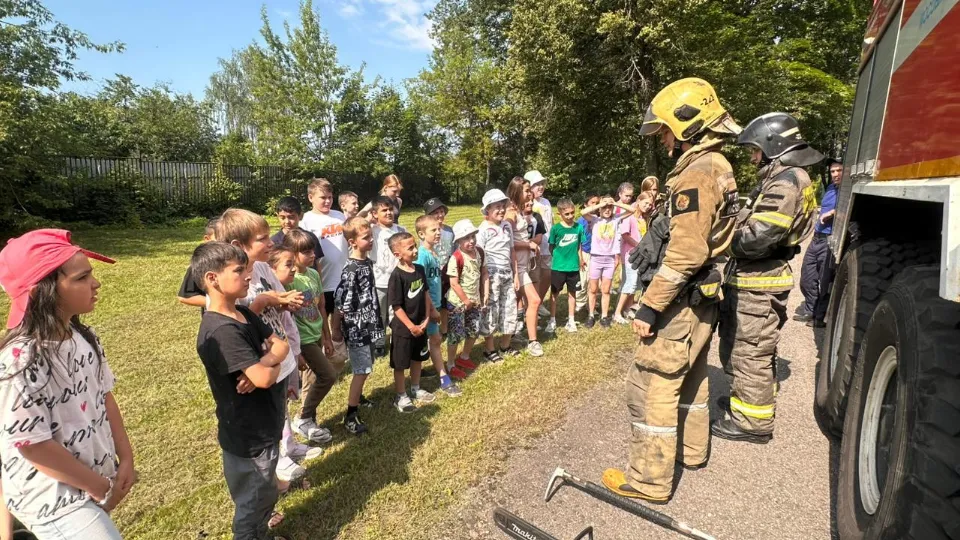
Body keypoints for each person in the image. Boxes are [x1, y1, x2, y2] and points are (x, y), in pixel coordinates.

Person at [602, 77, 741, 502]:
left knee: (652, 385)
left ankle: (647, 481)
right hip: (703, 299)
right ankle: (692, 453)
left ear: (687, 125)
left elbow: (684, 253)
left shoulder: (696, 176)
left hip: (680, 301)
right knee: (693, 375)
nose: (662, 137)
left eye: (665, 128)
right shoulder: (718, 165)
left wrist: (648, 308)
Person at [0, 229, 135, 539]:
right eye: (81, 277)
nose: (96, 283)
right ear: (41, 292)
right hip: (53, 498)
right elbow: (33, 445)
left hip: (91, 484)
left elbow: (105, 398)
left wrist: (125, 458)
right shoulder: (21, 360)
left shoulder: (83, 337)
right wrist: (101, 487)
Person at [712, 112, 821, 444]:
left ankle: (752, 422)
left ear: (774, 146)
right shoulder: (784, 178)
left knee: (751, 350)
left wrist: (721, 240)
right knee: (743, 345)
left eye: (756, 150)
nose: (753, 157)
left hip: (760, 280)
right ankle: (743, 401)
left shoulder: (787, 181)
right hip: (753, 278)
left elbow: (757, 237)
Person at [216, 209, 323, 484]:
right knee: (268, 416)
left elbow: (280, 304)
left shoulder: (263, 268)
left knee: (281, 407)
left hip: (280, 354)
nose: (272, 242)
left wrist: (286, 302)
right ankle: (279, 461)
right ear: (239, 246)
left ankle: (288, 447)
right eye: (263, 238)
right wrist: (263, 302)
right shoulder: (231, 281)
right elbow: (236, 324)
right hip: (260, 363)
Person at [193, 241, 289, 540]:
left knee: (265, 494)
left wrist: (264, 362)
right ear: (212, 279)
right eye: (239, 271)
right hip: (249, 436)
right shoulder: (221, 331)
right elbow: (261, 379)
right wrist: (265, 369)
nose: (249, 276)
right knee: (252, 505)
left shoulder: (244, 314)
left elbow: (281, 344)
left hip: (265, 424)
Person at [282, 230, 337, 445]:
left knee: (312, 380)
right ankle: (303, 417)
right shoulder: (288, 280)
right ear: (292, 254)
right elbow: (284, 317)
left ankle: (309, 423)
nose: (313, 254)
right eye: (306, 251)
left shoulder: (314, 274)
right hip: (302, 339)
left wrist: (327, 337)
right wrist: (295, 352)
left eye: (312, 249)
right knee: (328, 375)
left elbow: (321, 305)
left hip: (316, 334)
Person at [334, 217, 385, 435]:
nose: (371, 240)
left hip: (369, 324)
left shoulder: (366, 263)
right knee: (361, 370)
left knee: (367, 365)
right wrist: (336, 330)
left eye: (371, 236)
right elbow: (340, 303)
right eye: (366, 238)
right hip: (356, 327)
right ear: (352, 242)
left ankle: (359, 397)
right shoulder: (352, 269)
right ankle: (351, 415)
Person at [387, 232, 440, 412]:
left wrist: (426, 319)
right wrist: (411, 326)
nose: (415, 250)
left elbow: (425, 293)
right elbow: (396, 306)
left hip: (421, 325)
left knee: (418, 358)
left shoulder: (419, 270)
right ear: (397, 254)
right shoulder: (396, 276)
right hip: (404, 329)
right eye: (410, 248)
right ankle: (400, 395)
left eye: (415, 245)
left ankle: (415, 387)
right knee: (401, 363)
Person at [300, 178, 349, 370]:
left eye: (330, 197)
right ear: (310, 197)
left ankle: (338, 359)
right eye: (323, 198)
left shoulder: (339, 216)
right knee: (320, 324)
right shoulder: (306, 221)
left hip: (342, 279)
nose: (327, 201)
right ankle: (319, 362)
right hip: (322, 281)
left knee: (341, 323)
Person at [414, 215, 463, 396]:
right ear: (421, 234)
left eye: (438, 229)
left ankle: (438, 376)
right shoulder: (422, 256)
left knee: (434, 341)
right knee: (430, 342)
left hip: (433, 304)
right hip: (426, 308)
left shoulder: (432, 252)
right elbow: (420, 285)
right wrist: (432, 309)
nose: (438, 232)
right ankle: (440, 379)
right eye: (433, 230)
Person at [797, 158, 842, 327]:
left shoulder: (845, 190)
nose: (835, 174)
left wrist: (832, 213)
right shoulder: (830, 188)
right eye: (833, 171)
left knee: (824, 281)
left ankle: (819, 317)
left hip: (829, 241)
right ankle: (810, 310)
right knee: (807, 278)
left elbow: (846, 207)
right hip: (816, 238)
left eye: (839, 171)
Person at [476, 188, 519, 362]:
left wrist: (516, 274)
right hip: (492, 274)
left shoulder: (507, 226)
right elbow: (480, 255)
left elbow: (512, 250)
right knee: (491, 310)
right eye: (496, 207)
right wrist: (483, 280)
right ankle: (489, 349)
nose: (501, 210)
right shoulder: (483, 229)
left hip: (507, 273)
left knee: (510, 308)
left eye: (502, 206)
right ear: (487, 210)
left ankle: (505, 344)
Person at [581, 196, 635, 328]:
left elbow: (632, 210)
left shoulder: (616, 220)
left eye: (609, 208)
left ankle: (604, 316)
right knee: (593, 289)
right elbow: (583, 213)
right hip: (596, 258)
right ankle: (591, 315)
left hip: (609, 259)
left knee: (606, 289)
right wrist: (600, 205)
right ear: (599, 209)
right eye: (604, 207)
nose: (607, 209)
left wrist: (615, 203)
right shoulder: (595, 220)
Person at [504, 177, 544, 356]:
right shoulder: (510, 214)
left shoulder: (518, 211)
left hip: (524, 264)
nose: (530, 193)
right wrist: (529, 244)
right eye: (527, 190)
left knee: (515, 303)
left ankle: (513, 335)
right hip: (516, 267)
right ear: (517, 191)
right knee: (534, 300)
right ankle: (533, 341)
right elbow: (508, 241)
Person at [445, 219, 488, 379]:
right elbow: (454, 283)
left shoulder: (480, 253)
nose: (471, 241)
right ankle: (450, 364)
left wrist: (485, 294)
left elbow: (484, 273)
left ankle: (464, 357)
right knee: (455, 334)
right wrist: (465, 301)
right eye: (466, 238)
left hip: (475, 300)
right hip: (457, 303)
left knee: (474, 330)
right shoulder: (456, 257)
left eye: (473, 237)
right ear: (458, 241)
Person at [370, 196, 406, 356]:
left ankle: (397, 339)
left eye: (391, 209)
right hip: (379, 281)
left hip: (398, 280)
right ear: (375, 213)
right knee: (380, 314)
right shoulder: (371, 231)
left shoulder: (401, 230)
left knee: (397, 312)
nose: (389, 213)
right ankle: (379, 343)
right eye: (384, 210)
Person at [545, 198, 586, 333]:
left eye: (572, 213)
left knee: (572, 293)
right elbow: (551, 246)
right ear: (559, 214)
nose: (570, 216)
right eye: (566, 214)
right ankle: (552, 320)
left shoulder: (578, 227)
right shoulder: (556, 229)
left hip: (573, 267)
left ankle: (571, 320)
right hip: (558, 267)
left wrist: (580, 258)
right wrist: (558, 259)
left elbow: (579, 245)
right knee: (554, 294)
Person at [423, 198, 455, 337]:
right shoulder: (428, 232)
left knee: (445, 302)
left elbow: (453, 250)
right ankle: (432, 327)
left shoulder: (449, 230)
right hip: (434, 272)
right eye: (436, 212)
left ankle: (444, 328)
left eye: (442, 211)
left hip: (447, 270)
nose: (440, 215)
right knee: (435, 299)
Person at [272, 196, 325, 275]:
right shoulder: (274, 242)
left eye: (291, 217)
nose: (287, 221)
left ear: (300, 216)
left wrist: (319, 285)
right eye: (282, 217)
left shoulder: (310, 237)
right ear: (277, 216)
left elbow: (317, 264)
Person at [177, 216, 220, 309]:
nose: (224, 244)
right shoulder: (202, 263)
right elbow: (185, 296)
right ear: (207, 239)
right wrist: (220, 302)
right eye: (219, 240)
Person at [526, 171, 554, 309]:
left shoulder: (546, 202)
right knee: (534, 276)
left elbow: (551, 222)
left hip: (547, 245)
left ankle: (540, 302)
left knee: (548, 275)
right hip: (533, 246)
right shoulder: (527, 203)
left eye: (542, 184)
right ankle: (531, 305)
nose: (540, 187)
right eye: (536, 184)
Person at [575, 193, 600, 312]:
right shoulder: (581, 221)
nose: (596, 206)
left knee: (594, 280)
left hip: (597, 253)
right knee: (583, 280)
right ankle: (580, 302)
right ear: (586, 205)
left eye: (597, 203)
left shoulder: (600, 219)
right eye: (593, 203)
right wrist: (580, 257)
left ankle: (591, 304)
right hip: (584, 252)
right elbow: (578, 240)